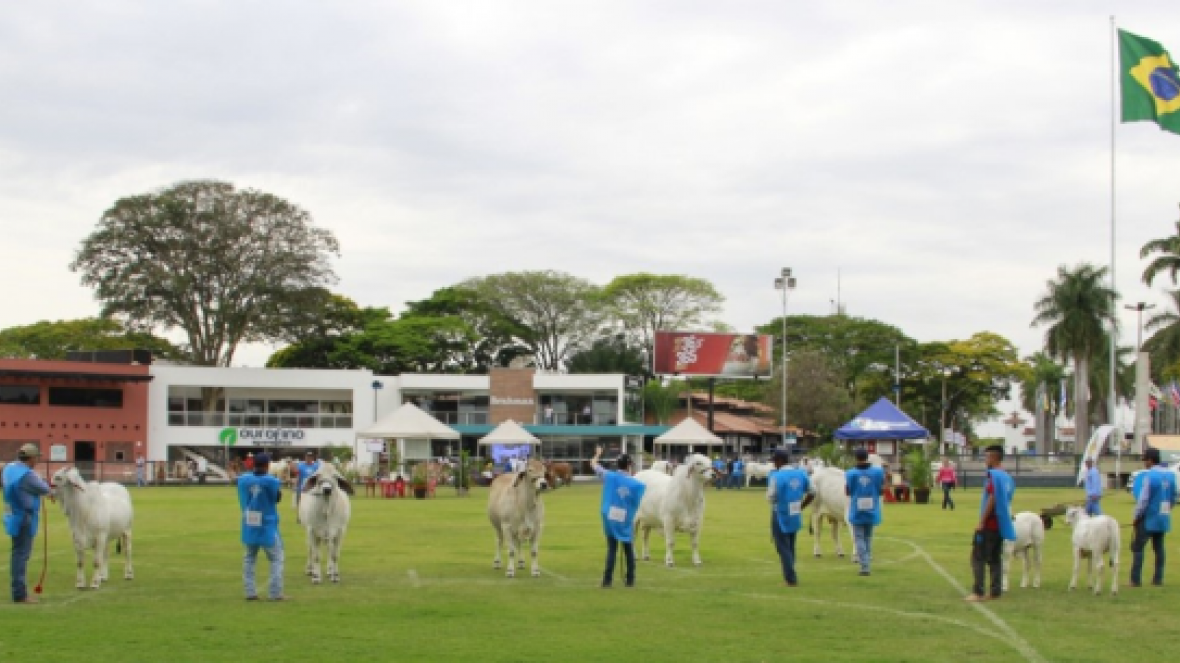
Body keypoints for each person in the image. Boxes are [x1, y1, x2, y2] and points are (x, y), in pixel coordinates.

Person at [4, 444, 54, 604]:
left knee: (17, 553)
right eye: (37, 457)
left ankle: (18, 590)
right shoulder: (27, 475)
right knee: (21, 555)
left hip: (12, 514)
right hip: (23, 517)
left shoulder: (10, 468)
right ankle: (20, 593)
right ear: (31, 458)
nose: (38, 460)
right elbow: (44, 488)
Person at [591, 445, 646, 588]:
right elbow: (637, 499)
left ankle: (607, 580)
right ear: (629, 466)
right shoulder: (636, 484)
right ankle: (630, 579)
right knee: (628, 549)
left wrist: (598, 454)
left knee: (612, 549)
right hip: (625, 518)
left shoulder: (610, 476)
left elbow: (594, 465)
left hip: (609, 516)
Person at [966, 444, 1015, 602]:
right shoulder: (1007, 477)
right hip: (1000, 523)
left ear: (993, 458)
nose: (985, 460)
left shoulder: (993, 475)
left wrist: (982, 521)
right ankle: (995, 591)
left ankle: (978, 592)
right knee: (995, 558)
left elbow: (993, 498)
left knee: (977, 557)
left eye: (986, 457)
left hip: (990, 523)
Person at [237, 452, 285, 601]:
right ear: (267, 465)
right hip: (266, 522)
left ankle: (250, 592)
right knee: (276, 558)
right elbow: (277, 498)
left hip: (249, 520)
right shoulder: (271, 481)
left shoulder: (244, 479)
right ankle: (275, 593)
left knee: (249, 558)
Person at [1130, 448, 1177, 587]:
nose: (1145, 463)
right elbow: (1173, 497)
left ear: (1151, 460)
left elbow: (1143, 500)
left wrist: (1137, 516)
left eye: (1146, 460)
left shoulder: (1149, 476)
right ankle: (1158, 579)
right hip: (1162, 518)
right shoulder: (1171, 476)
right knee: (1159, 549)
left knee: (1138, 548)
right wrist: (1166, 510)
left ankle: (1135, 580)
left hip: (1148, 518)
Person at [766, 449, 811, 586]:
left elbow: (770, 497)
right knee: (791, 545)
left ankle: (790, 578)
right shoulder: (801, 473)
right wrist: (802, 506)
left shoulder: (776, 476)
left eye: (774, 461)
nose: (774, 465)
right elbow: (813, 492)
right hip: (795, 512)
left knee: (783, 547)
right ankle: (791, 572)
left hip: (780, 513)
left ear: (779, 461)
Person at [845, 449, 885, 576]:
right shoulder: (878, 472)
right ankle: (866, 562)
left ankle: (865, 566)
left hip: (857, 507)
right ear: (867, 457)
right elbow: (881, 489)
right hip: (872, 506)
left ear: (856, 458)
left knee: (858, 537)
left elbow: (848, 491)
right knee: (868, 537)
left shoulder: (850, 473)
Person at [295, 451, 321, 521]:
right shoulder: (300, 466)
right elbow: (298, 476)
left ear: (312, 458)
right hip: (302, 487)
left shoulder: (316, 466)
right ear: (305, 457)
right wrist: (296, 484)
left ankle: (313, 516)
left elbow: (318, 476)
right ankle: (299, 516)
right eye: (307, 456)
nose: (309, 458)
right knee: (300, 502)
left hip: (312, 488)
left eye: (310, 457)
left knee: (313, 502)